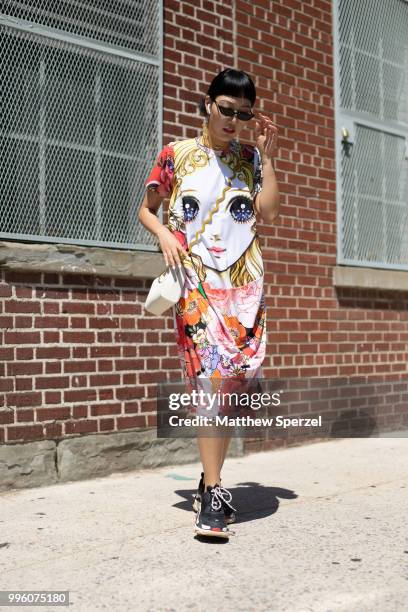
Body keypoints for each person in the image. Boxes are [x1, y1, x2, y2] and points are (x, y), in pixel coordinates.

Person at [138, 68, 280, 539]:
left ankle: (208, 480)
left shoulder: (249, 158)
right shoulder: (175, 155)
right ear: (207, 104)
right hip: (194, 282)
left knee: (228, 389)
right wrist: (162, 234)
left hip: (242, 286)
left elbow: (268, 213)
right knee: (207, 385)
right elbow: (146, 208)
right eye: (226, 110)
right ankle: (215, 495)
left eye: (244, 114)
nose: (234, 121)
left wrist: (268, 156)